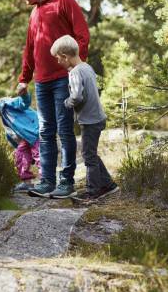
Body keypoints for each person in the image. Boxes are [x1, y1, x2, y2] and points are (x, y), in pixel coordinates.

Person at [12, 0, 90, 199]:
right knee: (45, 131)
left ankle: (66, 182)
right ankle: (47, 180)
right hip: (42, 82)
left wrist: (76, 69)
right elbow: (30, 48)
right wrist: (24, 79)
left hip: (63, 80)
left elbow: (82, 35)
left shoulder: (64, 1)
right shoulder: (34, 13)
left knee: (65, 131)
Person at [50, 35, 118, 201]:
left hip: (90, 120)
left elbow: (77, 97)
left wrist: (66, 102)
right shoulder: (87, 67)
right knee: (91, 154)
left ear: (65, 57)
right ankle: (109, 184)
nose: (58, 62)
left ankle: (93, 191)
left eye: (58, 59)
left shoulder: (74, 73)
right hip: (98, 117)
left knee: (88, 158)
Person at [0, 93, 40, 192]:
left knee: (40, 156)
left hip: (35, 132)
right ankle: (27, 183)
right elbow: (13, 135)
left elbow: (24, 102)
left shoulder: (8, 104)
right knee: (20, 156)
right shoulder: (4, 117)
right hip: (25, 138)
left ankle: (46, 181)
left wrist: (24, 94)